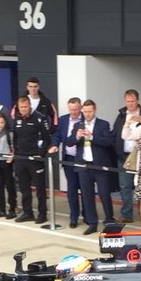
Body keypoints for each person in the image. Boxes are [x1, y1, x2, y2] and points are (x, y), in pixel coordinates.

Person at [67, 99, 116, 235]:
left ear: (95, 110)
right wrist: (76, 136)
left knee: (104, 193)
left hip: (100, 165)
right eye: (85, 111)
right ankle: (92, 222)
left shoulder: (103, 124)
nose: (88, 114)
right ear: (82, 111)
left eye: (90, 111)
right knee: (87, 195)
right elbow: (69, 143)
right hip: (84, 165)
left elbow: (108, 142)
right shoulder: (78, 125)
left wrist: (92, 136)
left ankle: (109, 219)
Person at [11, 95, 56, 223]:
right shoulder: (17, 118)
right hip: (21, 158)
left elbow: (47, 138)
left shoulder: (40, 118)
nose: (23, 109)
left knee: (40, 188)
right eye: (21, 107)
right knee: (24, 188)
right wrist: (15, 152)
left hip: (35, 159)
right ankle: (27, 212)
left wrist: (41, 155)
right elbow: (15, 137)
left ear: (30, 106)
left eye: (25, 107)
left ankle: (42, 214)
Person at [110, 90, 141, 224]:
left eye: (132, 101)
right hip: (124, 156)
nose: (130, 104)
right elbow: (116, 133)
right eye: (128, 101)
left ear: (138, 101)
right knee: (125, 186)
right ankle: (126, 214)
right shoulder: (122, 115)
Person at [55, 97, 85, 228]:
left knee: (85, 189)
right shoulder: (63, 119)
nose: (74, 112)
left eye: (76, 109)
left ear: (81, 108)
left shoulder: (86, 120)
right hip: (68, 158)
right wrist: (54, 145)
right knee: (72, 189)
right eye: (71, 109)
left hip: (82, 159)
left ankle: (87, 214)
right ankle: (74, 216)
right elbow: (57, 135)